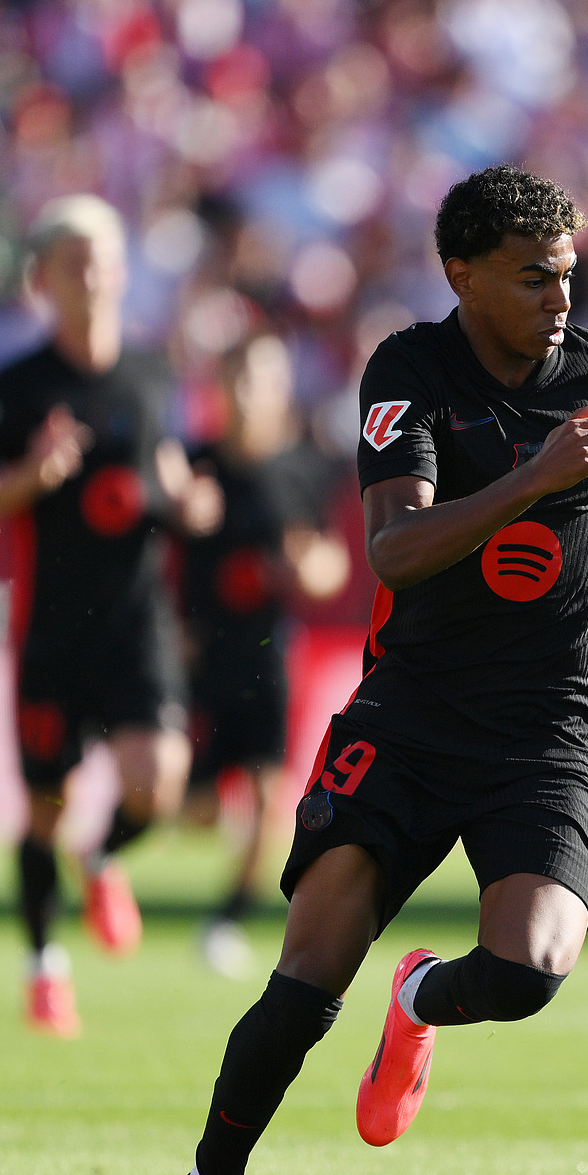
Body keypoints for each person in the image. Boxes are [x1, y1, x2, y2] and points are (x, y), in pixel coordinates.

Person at [164, 166, 588, 1175]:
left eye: (565, 272)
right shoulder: (408, 369)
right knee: (309, 971)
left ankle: (418, 999)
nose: (558, 296)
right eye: (529, 276)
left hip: (545, 734)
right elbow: (393, 547)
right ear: (460, 273)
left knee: (529, 968)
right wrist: (532, 477)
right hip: (409, 718)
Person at [0, 194, 222, 1039]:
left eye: (102, 259)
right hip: (54, 628)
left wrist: (190, 503)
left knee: (159, 783)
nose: (91, 275)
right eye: (73, 262)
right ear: (43, 280)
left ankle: (101, 860)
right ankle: (45, 968)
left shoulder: (150, 375)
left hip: (137, 623)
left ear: (123, 273)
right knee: (43, 810)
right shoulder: (17, 388)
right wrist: (29, 475)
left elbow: (181, 484)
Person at [179, 333, 352, 978]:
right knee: (192, 807)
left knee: (267, 795)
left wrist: (311, 570)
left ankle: (228, 917)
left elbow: (332, 562)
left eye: (265, 379)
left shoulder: (306, 467)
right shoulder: (193, 466)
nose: (252, 394)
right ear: (219, 388)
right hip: (198, 658)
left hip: (266, 653)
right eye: (240, 379)